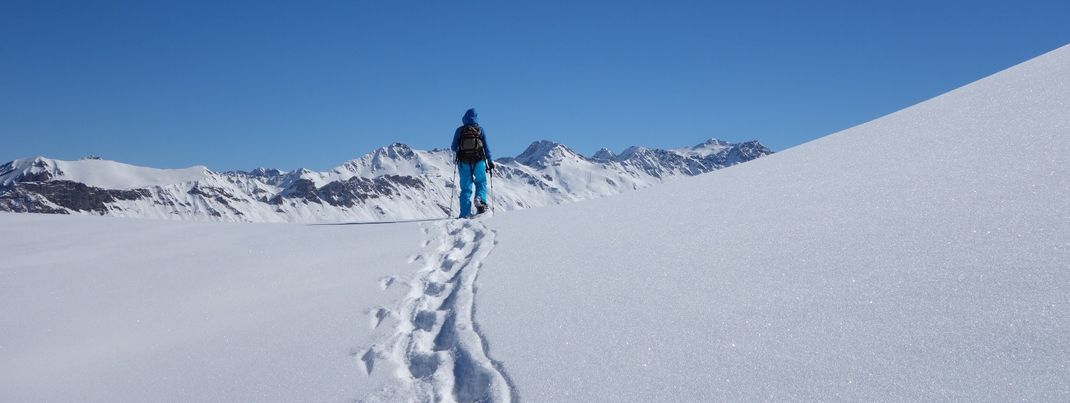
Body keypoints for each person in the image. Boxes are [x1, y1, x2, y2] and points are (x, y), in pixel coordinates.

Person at [451, 108, 495, 217]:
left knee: (466, 188)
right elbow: (486, 147)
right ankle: (480, 199)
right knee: (481, 182)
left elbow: (453, 147)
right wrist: (490, 161)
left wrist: (457, 156)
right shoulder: (480, 130)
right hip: (479, 161)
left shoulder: (459, 130)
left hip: (463, 162)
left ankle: (465, 214)